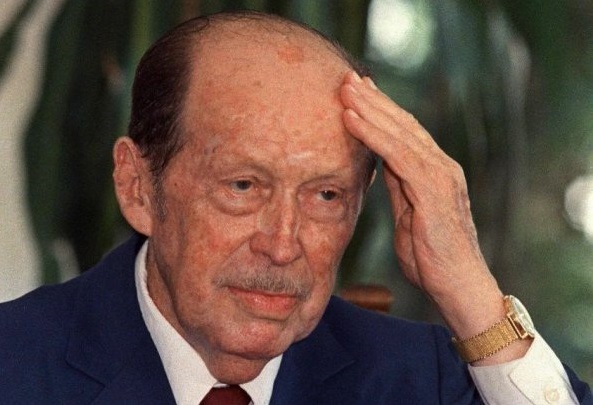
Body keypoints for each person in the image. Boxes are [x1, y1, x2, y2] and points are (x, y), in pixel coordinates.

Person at [0, 10, 590, 405]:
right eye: (243, 187)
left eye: (326, 196)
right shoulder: (15, 364)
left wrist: (469, 290)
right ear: (138, 187)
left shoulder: (426, 379)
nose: (283, 245)